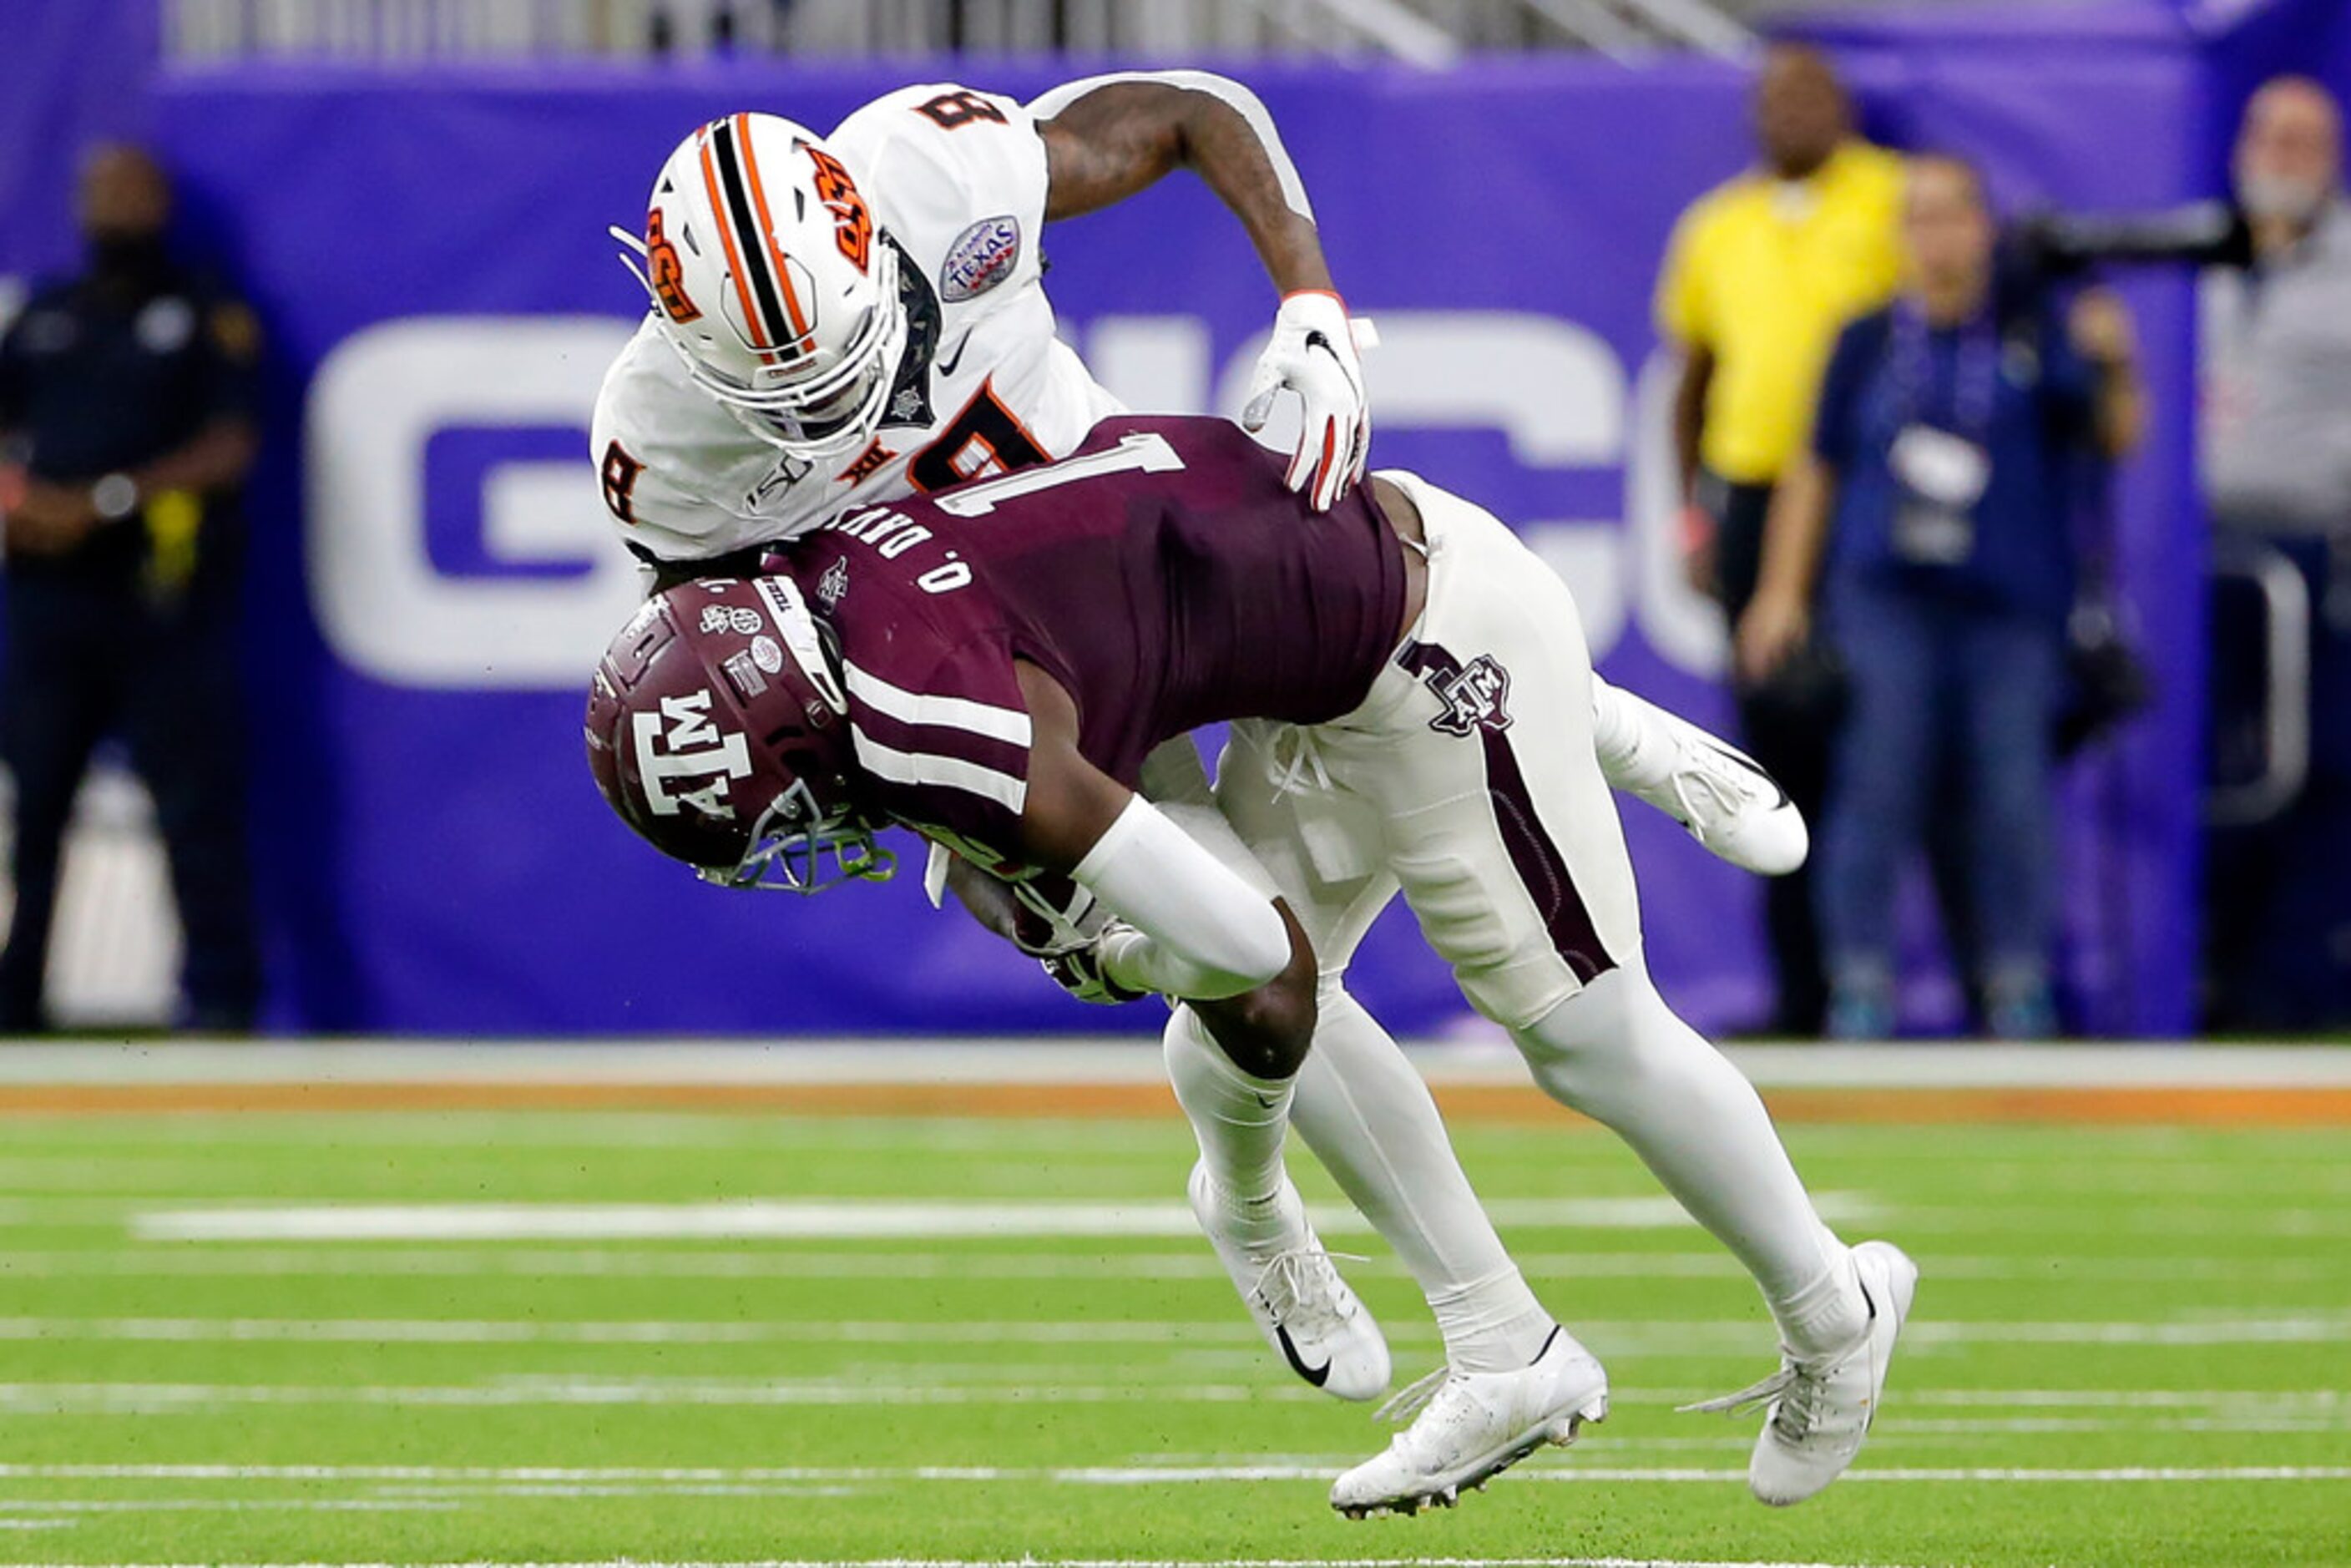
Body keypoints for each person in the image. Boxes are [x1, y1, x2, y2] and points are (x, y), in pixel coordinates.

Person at [590, 87, 1808, 1454]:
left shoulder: (940, 168)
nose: (836, 407)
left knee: (1368, 661)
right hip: (994, 667)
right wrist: (965, 815)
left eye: (844, 354)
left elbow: (1184, 115)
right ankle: (1396, 1277)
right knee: (1256, 977)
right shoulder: (661, 455)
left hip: (1135, 542)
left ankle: (1586, 720)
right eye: (786, 393)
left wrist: (1311, 305)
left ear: (875, 237)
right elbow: (764, 665)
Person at [584, 413, 1918, 1517]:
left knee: (1583, 1032)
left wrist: (1104, 949)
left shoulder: (926, 721)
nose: (811, 830)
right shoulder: (811, 562)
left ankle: (1834, 1308)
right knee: (1220, 1034)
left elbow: (1245, 944)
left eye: (787, 808)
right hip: (1304, 644)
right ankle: (1502, 1343)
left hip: (1434, 642)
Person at [1737, 154, 2146, 1038]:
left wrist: (2115, 365)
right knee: (1875, 785)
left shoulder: (2032, 332)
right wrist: (1780, 590)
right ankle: (1859, 985)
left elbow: (2112, 440)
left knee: (2011, 796)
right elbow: (1815, 467)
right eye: (1916, 218)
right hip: (1887, 598)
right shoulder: (1869, 339)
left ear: (1982, 228)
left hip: (2008, 604)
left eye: (1952, 215)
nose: (1936, 236)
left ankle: (2016, 985)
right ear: (1899, 235)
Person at [1656, 43, 1907, 1034]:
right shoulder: (1716, 225)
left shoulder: (1888, 197)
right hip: (1753, 497)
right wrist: (1694, 513)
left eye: (1810, 93)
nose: (1791, 112)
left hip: (1872, 495)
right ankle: (1802, 993)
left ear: (1844, 106)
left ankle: (1886, 980)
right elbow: (1691, 383)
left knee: (1888, 744)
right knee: (1772, 751)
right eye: (1774, 97)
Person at [0, 144, 264, 1033]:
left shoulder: (201, 314)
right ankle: (16, 1003)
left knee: (193, 814)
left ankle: (223, 1004)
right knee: (35, 813)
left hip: (161, 602)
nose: (113, 205)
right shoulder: (45, 313)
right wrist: (21, 502)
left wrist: (105, 503)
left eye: (131, 190)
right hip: (47, 603)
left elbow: (230, 446)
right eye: (98, 189)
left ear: (163, 203)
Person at [2201, 77, 2351, 1028]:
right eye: (2268, 135)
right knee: (2204, 769)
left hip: (2313, 555)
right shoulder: (2196, 255)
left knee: (2317, 767)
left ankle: (2292, 983)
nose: (2282, 156)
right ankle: (2204, 974)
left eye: (2304, 141)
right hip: (2194, 561)